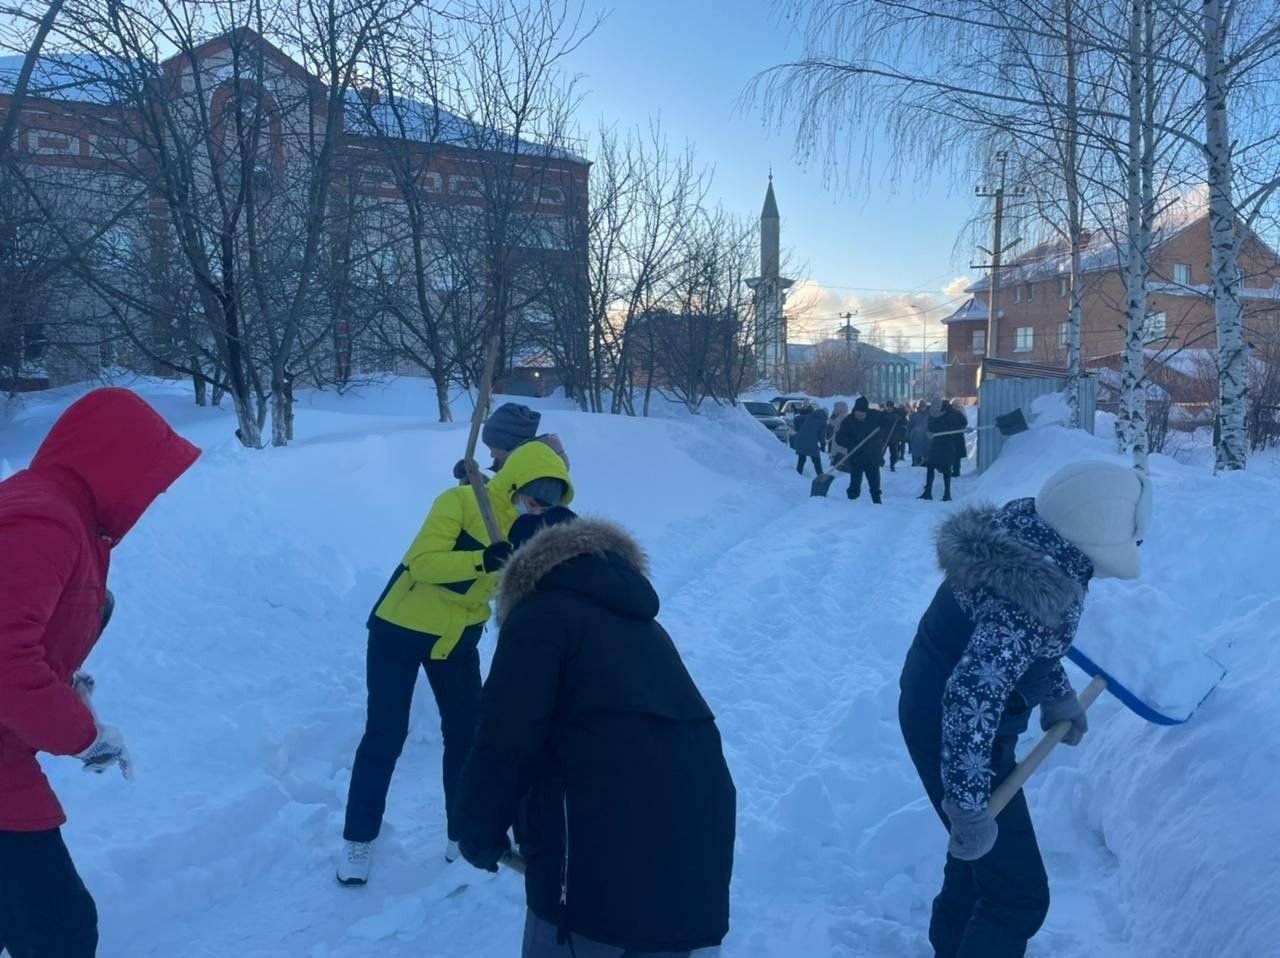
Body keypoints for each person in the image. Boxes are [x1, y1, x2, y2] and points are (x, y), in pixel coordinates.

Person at [898, 461, 1151, 958]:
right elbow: (972, 697)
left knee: (980, 869)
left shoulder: (1027, 545)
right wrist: (969, 806)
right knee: (1017, 896)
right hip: (958, 734)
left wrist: (1056, 694)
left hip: (942, 713)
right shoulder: (1030, 592)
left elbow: (1020, 648)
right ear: (1101, 530)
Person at [457, 507, 735, 958]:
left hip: (595, 857)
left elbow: (504, 736)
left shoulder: (538, 617)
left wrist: (478, 828)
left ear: (523, 569)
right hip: (696, 848)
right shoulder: (646, 626)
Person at [0, 388, 201, 957]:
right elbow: (4, 659)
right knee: (59, 930)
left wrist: (65, 685)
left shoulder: (60, 515)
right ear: (113, 459)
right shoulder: (44, 517)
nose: (153, 492)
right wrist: (83, 737)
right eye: (150, 473)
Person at [338, 441, 574, 885]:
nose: (538, 508)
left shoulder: (535, 534)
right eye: (533, 496)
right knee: (385, 735)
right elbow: (422, 563)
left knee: (467, 739)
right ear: (515, 484)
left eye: (550, 502)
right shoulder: (462, 502)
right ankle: (358, 838)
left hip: (457, 639)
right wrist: (482, 559)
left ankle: (461, 833)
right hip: (400, 628)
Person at [835, 397, 887, 503]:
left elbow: (886, 418)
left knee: (874, 480)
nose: (859, 417)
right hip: (856, 455)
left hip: (872, 454)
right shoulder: (848, 421)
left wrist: (893, 418)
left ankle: (876, 500)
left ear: (866, 412)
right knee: (855, 478)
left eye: (862, 415)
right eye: (857, 415)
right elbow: (839, 438)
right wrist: (851, 444)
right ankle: (852, 499)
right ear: (854, 411)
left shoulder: (874, 415)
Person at [922, 400, 967, 502]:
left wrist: (962, 428)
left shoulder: (952, 413)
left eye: (936, 410)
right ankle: (928, 492)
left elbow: (963, 422)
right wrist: (929, 432)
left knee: (947, 468)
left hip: (948, 443)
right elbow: (929, 426)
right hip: (936, 443)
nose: (934, 412)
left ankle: (947, 494)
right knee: (930, 466)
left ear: (941, 407)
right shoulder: (932, 414)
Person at [792, 400, 828, 476]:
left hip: (800, 439)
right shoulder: (823, 422)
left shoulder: (810, 415)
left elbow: (796, 419)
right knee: (816, 459)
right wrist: (823, 447)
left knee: (801, 459)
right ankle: (820, 476)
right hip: (810, 442)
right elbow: (822, 437)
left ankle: (798, 476)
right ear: (826, 415)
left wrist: (798, 429)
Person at [909, 400, 932, 468]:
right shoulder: (914, 415)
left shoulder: (929, 414)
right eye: (921, 407)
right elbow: (910, 426)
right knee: (916, 452)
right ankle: (916, 463)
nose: (922, 408)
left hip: (927, 437)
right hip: (916, 437)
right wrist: (909, 435)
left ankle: (926, 463)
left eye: (923, 407)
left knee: (927, 452)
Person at [828, 400, 850, 466]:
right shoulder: (847, 417)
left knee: (839, 472)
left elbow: (831, 424)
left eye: (835, 409)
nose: (834, 410)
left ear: (839, 409)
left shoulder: (840, 419)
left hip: (840, 451)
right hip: (842, 451)